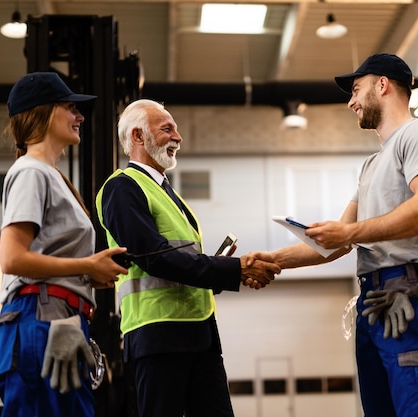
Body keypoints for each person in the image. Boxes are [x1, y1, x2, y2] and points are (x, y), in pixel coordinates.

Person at [249, 53, 418, 417]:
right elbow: (339, 243)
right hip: (375, 300)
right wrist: (271, 260)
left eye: (356, 89)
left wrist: (350, 231)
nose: (351, 101)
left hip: (411, 295)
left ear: (383, 85)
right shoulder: (373, 164)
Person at [95, 98, 281, 417]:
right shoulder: (122, 189)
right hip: (158, 336)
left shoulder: (169, 194)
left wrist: (227, 271)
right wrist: (234, 269)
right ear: (138, 137)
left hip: (200, 335)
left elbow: (182, 265)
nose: (178, 138)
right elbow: (155, 258)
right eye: (167, 129)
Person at [0, 72, 129, 417]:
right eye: (70, 107)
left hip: (58, 320)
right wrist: (86, 266)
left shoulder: (50, 175)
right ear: (44, 112)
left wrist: (87, 276)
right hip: (39, 321)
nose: (79, 116)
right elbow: (12, 257)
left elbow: (44, 255)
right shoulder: (31, 172)